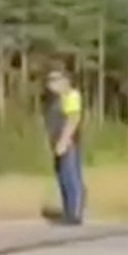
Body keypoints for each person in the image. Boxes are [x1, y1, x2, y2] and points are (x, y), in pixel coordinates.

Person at [46, 67, 86, 226]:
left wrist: (64, 140)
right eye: (49, 80)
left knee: (71, 177)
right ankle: (68, 211)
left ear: (65, 81)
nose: (50, 84)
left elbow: (73, 118)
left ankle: (75, 213)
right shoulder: (57, 99)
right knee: (62, 177)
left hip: (68, 143)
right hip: (57, 143)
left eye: (54, 80)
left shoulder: (71, 95)